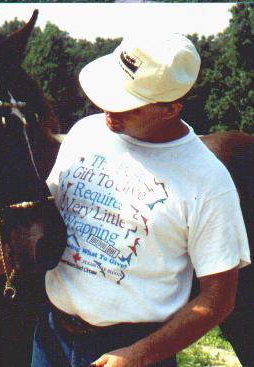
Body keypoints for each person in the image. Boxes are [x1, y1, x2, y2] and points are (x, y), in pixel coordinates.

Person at [29, 32, 251, 367]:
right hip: (51, 339)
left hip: (136, 351)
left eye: (125, 104)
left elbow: (218, 299)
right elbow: (51, 224)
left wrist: (139, 355)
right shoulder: (85, 133)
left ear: (171, 109)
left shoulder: (208, 181)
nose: (108, 112)